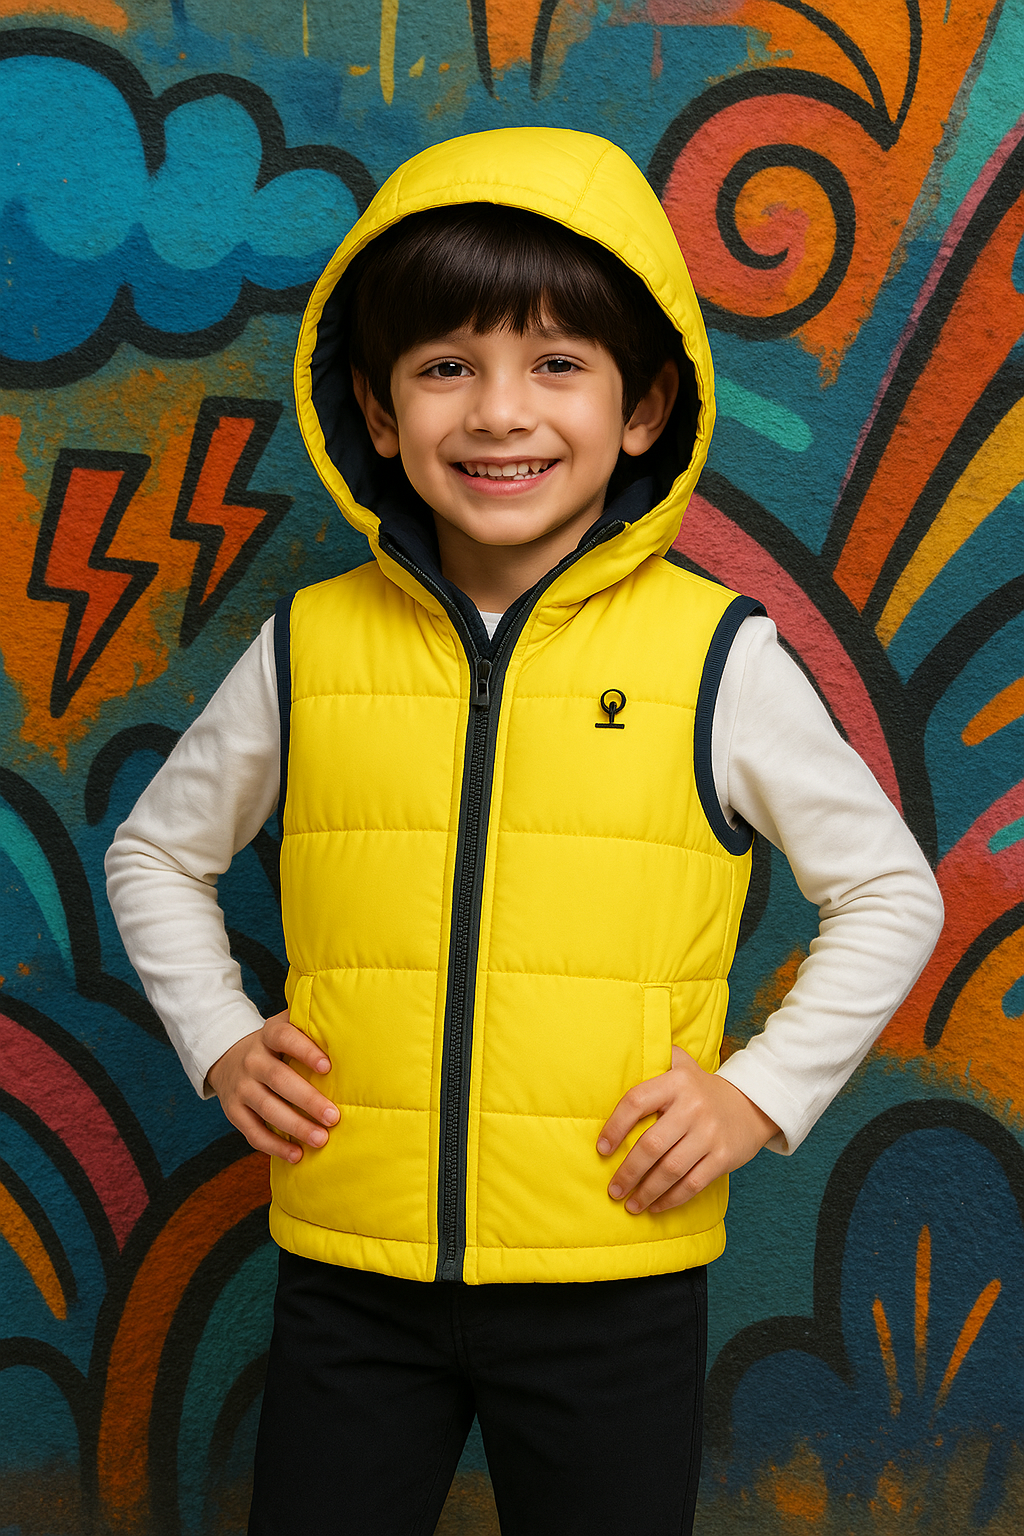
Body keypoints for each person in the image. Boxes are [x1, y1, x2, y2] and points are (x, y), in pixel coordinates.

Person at [106, 127, 943, 1534]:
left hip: (612, 1272)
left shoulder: (716, 655)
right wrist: (220, 1034)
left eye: (558, 365)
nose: (500, 412)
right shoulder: (312, 644)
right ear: (375, 413)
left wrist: (758, 1092)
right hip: (349, 1276)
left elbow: (889, 892)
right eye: (447, 367)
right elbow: (155, 853)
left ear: (643, 407)